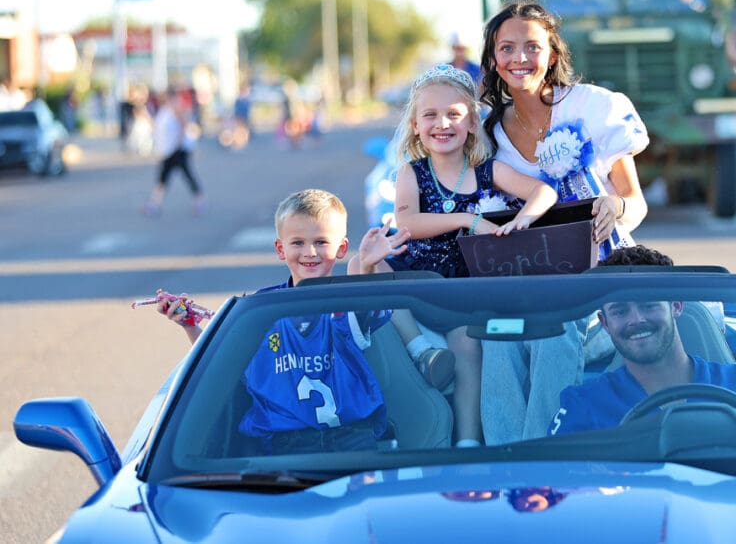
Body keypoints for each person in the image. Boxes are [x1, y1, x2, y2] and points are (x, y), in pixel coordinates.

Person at [349, 63, 558, 447]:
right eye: (430, 115)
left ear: (471, 123)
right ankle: (421, 348)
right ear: (415, 125)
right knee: (360, 264)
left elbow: (545, 193)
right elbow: (407, 221)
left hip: (464, 288)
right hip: (419, 280)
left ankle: (467, 440)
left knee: (468, 348)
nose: (441, 124)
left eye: (453, 114)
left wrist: (522, 220)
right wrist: (468, 218)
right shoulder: (412, 172)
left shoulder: (486, 171)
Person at [478, 0, 649, 445]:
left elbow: (636, 200)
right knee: (498, 339)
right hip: (527, 278)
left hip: (598, 275)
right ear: (494, 59)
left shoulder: (592, 106)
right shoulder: (488, 133)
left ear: (552, 54)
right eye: (507, 48)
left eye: (532, 47)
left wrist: (617, 207)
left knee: (555, 332)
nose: (519, 58)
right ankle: (502, 462)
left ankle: (539, 457)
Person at [158, 189, 411, 453]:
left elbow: (362, 306)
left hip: (352, 439)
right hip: (283, 446)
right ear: (281, 249)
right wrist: (190, 325)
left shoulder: (345, 300)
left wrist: (368, 267)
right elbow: (221, 363)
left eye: (322, 242)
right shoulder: (261, 308)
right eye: (298, 242)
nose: (310, 252)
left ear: (341, 248)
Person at [548, 248, 736, 435]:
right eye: (620, 311)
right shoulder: (583, 404)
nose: (636, 319)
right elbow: (553, 482)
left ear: (677, 305)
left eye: (649, 305)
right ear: (605, 323)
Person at [142, 88, 206, 217]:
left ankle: (155, 204)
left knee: (180, 176)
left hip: (177, 150)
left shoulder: (176, 109)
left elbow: (184, 124)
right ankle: (155, 204)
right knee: (165, 178)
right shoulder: (164, 110)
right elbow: (157, 127)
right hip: (167, 151)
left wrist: (178, 142)